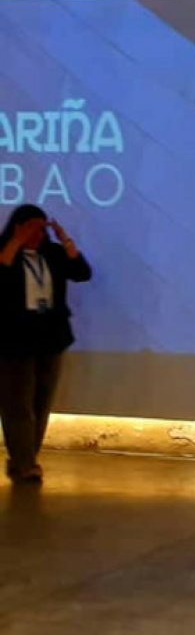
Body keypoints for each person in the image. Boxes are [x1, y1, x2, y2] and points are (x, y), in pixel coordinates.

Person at [0, 204, 92, 483]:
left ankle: (25, 459)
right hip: (14, 338)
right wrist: (15, 242)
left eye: (43, 229)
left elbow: (82, 272)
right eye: (33, 228)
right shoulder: (6, 252)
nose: (39, 235)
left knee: (41, 403)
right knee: (17, 404)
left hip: (51, 336)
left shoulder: (52, 252)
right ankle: (24, 463)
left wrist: (65, 241)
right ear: (18, 227)